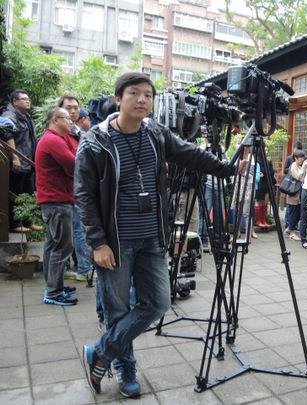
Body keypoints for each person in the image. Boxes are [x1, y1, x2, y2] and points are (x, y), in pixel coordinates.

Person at [75, 73, 237, 398]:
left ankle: (100, 352)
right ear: (118, 99)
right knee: (117, 310)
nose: (142, 100)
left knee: (159, 302)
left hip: (152, 238)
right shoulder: (95, 141)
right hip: (116, 243)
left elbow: (190, 153)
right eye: (134, 93)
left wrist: (227, 168)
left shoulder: (156, 133)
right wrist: (98, 243)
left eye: (148, 95)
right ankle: (126, 371)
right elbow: (84, 196)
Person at [36, 107, 79, 305]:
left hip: (53, 200)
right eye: (67, 118)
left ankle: (54, 285)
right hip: (57, 200)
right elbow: (74, 165)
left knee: (53, 244)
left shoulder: (55, 138)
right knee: (63, 246)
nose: (71, 121)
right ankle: (53, 292)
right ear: (55, 119)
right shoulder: (53, 140)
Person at [58, 95, 94, 282]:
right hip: (66, 191)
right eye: (68, 108)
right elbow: (74, 163)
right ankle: (84, 268)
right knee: (77, 230)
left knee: (74, 230)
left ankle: (73, 267)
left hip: (78, 189)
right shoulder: (61, 134)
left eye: (76, 108)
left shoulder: (77, 132)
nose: (73, 111)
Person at [1, 89, 38, 232]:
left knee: (28, 192)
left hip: (28, 162)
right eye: (24, 99)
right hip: (17, 163)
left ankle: (28, 222)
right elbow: (6, 134)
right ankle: (15, 224)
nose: (28, 101)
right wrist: (15, 157)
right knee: (15, 192)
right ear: (15, 101)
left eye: (28, 99)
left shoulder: (26, 116)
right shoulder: (9, 115)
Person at [285, 150, 307, 240]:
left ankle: (289, 229)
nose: (302, 160)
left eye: (303, 158)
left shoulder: (299, 166)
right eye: (300, 158)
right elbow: (297, 177)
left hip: (298, 194)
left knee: (297, 213)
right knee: (293, 214)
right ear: (295, 158)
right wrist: (304, 168)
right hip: (293, 194)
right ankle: (292, 233)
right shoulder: (293, 166)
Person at [254, 147, 276, 229]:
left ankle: (263, 220)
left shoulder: (268, 161)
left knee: (265, 202)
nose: (266, 152)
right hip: (260, 184)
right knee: (259, 201)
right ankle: (258, 221)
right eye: (265, 150)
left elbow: (271, 172)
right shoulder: (257, 161)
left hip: (267, 184)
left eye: (267, 150)